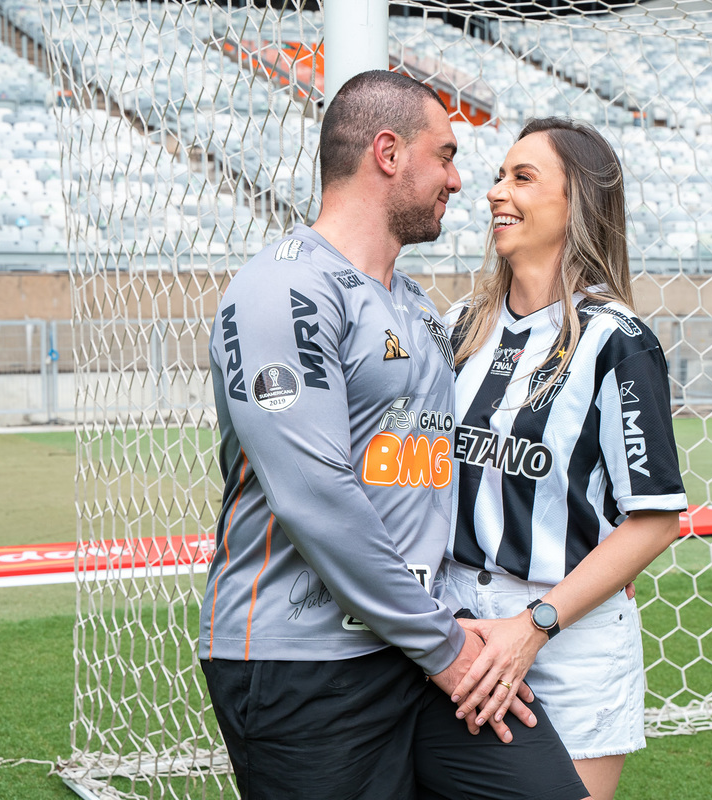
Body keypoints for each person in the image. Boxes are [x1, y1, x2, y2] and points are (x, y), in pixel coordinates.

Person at [197, 72, 589, 800]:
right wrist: (442, 646)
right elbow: (316, 496)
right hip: (309, 661)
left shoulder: (414, 308)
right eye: (443, 156)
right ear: (387, 152)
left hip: (426, 644)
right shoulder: (283, 291)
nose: (458, 178)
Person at [442, 117, 689, 800]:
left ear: (577, 201)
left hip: (570, 637)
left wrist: (536, 624)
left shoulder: (619, 342)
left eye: (522, 178)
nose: (496, 192)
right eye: (498, 176)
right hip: (458, 629)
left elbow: (655, 518)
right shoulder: (458, 326)